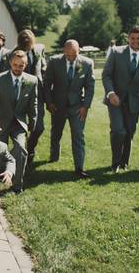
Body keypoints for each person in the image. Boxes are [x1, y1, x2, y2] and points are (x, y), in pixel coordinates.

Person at [0, 50, 37, 193]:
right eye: (15, 65)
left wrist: (33, 123)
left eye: (21, 65)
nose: (18, 68)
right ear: (10, 63)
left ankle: (17, 186)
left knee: (20, 149)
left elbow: (33, 104)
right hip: (0, 121)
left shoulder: (32, 81)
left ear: (25, 65)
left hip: (19, 123)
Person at [102, 26, 139, 173]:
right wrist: (111, 93)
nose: (135, 41)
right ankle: (115, 163)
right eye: (132, 38)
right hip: (115, 100)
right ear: (128, 38)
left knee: (129, 132)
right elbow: (106, 75)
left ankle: (124, 162)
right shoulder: (116, 52)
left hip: (134, 103)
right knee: (119, 131)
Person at [43, 40, 95, 179]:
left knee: (78, 135)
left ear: (79, 51)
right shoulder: (54, 62)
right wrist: (49, 103)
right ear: (63, 51)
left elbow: (90, 87)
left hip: (77, 106)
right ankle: (54, 155)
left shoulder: (87, 63)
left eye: (74, 55)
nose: (71, 58)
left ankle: (79, 168)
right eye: (68, 55)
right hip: (58, 105)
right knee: (56, 132)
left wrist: (85, 106)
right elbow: (46, 83)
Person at [14, 29, 47, 169]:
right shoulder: (13, 54)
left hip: (38, 95)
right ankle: (18, 158)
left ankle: (31, 148)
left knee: (39, 128)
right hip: (19, 97)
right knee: (19, 129)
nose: (27, 42)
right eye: (24, 40)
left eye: (29, 39)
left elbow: (43, 65)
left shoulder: (38, 50)